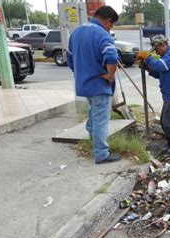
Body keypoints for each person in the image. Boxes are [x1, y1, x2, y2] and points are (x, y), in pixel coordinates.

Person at [67, 6, 121, 164]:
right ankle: (101, 154)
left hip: (84, 84)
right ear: (107, 20)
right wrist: (109, 76)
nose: (110, 28)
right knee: (101, 120)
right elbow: (111, 56)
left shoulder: (76, 32)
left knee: (93, 115)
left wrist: (80, 74)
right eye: (111, 25)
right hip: (99, 85)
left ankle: (93, 143)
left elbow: (69, 58)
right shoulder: (103, 34)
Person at [137, 35, 170, 157]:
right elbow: (158, 73)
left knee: (169, 123)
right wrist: (147, 67)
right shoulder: (166, 57)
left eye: (157, 49)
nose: (156, 53)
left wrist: (148, 57)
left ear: (163, 45)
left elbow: (159, 66)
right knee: (164, 123)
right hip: (169, 95)